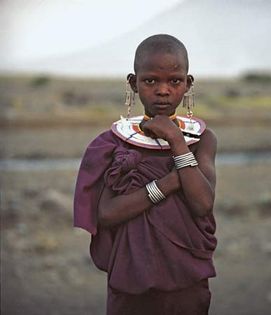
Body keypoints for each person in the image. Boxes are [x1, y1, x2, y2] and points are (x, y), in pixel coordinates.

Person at [74, 34, 217, 315]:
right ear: (133, 83)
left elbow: (202, 204)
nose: (163, 90)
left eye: (174, 81)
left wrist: (176, 140)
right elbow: (107, 213)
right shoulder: (116, 142)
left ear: (188, 84)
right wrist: (171, 181)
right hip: (131, 278)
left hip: (185, 278)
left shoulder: (202, 139)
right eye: (150, 81)